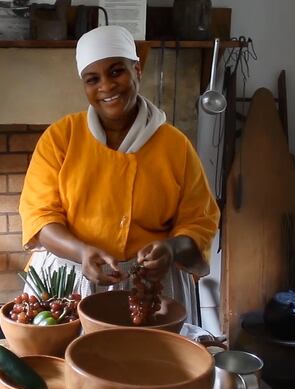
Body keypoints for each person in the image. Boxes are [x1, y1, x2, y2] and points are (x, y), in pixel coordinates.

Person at [18, 25, 220, 322]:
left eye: (116, 72)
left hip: (153, 288)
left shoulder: (175, 146)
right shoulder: (61, 138)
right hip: (71, 281)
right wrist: (81, 251)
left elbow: (199, 223)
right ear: (84, 86)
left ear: (137, 70)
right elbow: (39, 217)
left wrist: (171, 248)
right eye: (93, 79)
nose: (107, 86)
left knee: (152, 366)